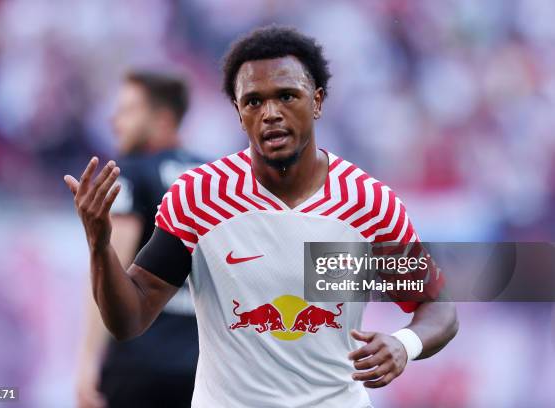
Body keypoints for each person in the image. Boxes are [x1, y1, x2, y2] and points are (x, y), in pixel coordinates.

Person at [65, 26, 458, 407]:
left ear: (317, 101)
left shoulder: (368, 202)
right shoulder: (200, 196)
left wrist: (404, 344)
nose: (270, 113)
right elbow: (129, 318)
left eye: (287, 96)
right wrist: (100, 247)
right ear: (238, 112)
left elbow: (437, 306)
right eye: (253, 101)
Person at [75, 71, 203, 408]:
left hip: (139, 366)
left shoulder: (129, 173)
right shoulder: (211, 177)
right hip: (203, 371)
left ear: (162, 119)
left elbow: (110, 270)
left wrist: (88, 359)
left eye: (128, 110)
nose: (115, 120)